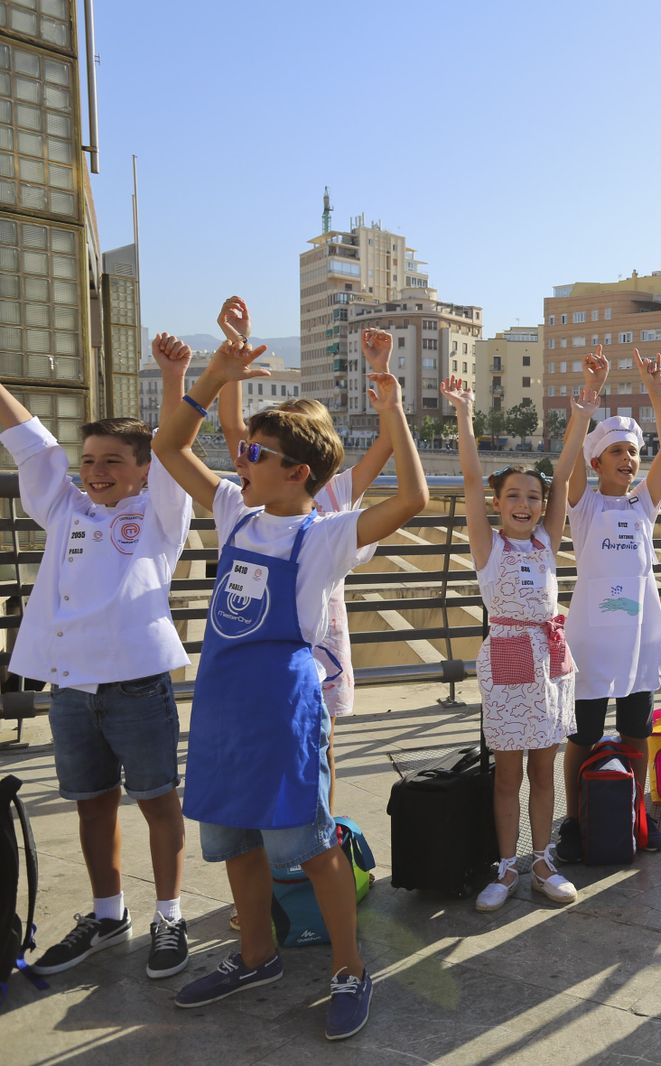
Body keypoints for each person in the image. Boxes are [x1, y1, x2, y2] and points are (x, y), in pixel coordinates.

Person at [153, 328, 427, 1040]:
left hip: (283, 710)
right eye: (244, 451)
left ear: (298, 472)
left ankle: (348, 967)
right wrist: (211, 377)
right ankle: (256, 953)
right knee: (234, 842)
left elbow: (414, 501)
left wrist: (391, 405)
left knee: (310, 844)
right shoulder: (235, 513)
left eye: (255, 454)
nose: (239, 458)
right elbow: (168, 447)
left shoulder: (327, 535)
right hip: (221, 710)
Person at [0, 366, 192, 980]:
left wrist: (177, 378)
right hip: (71, 690)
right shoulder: (64, 510)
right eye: (89, 460)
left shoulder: (162, 517)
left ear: (143, 469)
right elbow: (32, 441)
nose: (97, 470)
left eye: (114, 460)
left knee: (159, 802)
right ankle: (108, 915)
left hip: (138, 685)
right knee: (91, 805)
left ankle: (170, 914)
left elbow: (173, 446)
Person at [215, 297, 391, 812]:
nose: (257, 451)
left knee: (321, 744)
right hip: (266, 629)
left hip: (320, 630)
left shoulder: (336, 493)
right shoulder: (255, 484)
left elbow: (385, 444)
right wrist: (233, 362)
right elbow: (232, 430)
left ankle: (322, 829)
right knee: (272, 740)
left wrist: (379, 371)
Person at [443, 375, 579, 909]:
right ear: (498, 503)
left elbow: (565, 476)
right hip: (505, 658)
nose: (524, 503)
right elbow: (471, 474)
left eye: (533, 497)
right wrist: (464, 413)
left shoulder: (546, 540)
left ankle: (542, 861)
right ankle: (505, 866)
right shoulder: (489, 546)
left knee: (544, 768)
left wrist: (583, 410)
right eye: (513, 495)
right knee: (508, 773)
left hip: (548, 662)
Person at [554, 347, 661, 860]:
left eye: (633, 453)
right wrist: (589, 394)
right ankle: (575, 820)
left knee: (635, 729)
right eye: (618, 452)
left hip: (641, 636)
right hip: (590, 637)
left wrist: (655, 387)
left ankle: (635, 811)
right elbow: (563, 475)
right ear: (596, 460)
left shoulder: (644, 502)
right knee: (582, 732)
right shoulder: (583, 505)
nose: (629, 460)